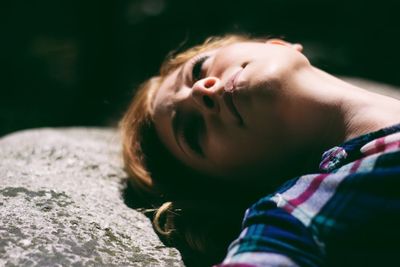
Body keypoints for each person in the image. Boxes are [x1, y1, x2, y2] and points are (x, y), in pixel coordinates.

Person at [120, 34, 400, 267]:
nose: (200, 92)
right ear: (235, 185)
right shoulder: (295, 217)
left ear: (277, 44)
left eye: (198, 69)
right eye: (193, 133)